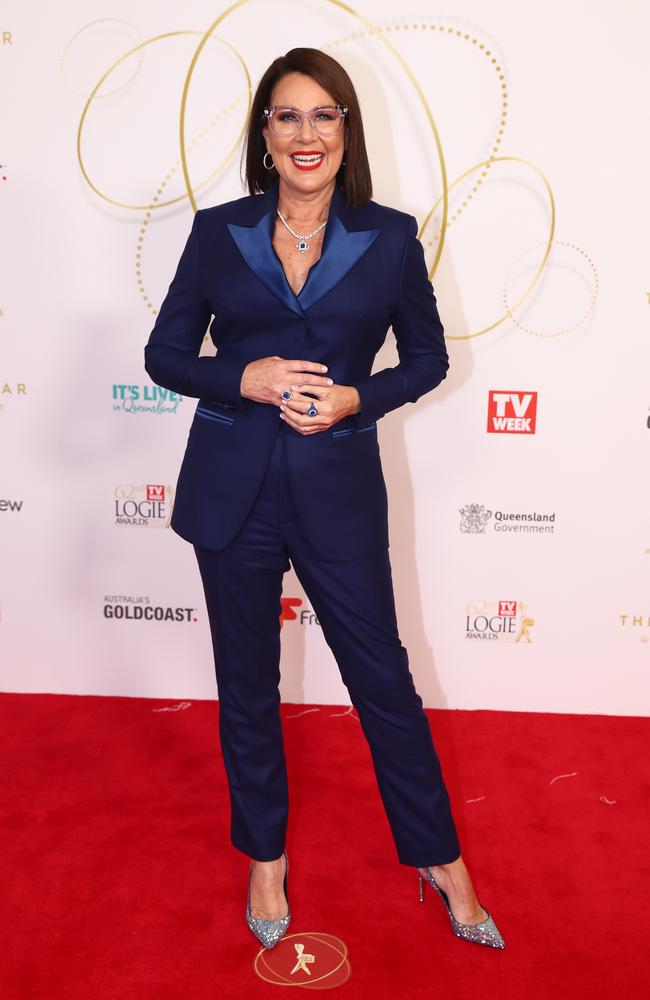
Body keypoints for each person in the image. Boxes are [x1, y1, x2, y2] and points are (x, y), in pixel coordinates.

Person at [144, 47, 505, 952]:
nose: (306, 134)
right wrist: (246, 377)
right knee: (246, 687)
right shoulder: (215, 231)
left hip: (337, 490)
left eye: (324, 115)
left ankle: (440, 858)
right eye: (286, 116)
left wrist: (355, 396)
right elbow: (165, 354)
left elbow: (428, 359)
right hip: (233, 492)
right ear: (263, 136)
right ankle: (265, 855)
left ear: (348, 131)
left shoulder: (388, 236)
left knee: (382, 681)